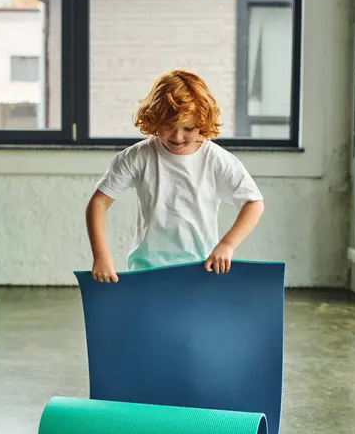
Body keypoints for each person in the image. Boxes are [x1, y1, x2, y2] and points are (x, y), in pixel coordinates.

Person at [85, 69, 264, 283]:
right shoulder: (137, 157)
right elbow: (98, 202)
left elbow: (254, 203)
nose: (178, 136)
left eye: (188, 128)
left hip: (200, 268)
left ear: (202, 122)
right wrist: (101, 255)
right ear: (154, 120)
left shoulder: (215, 159)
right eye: (169, 127)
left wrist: (227, 245)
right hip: (147, 269)